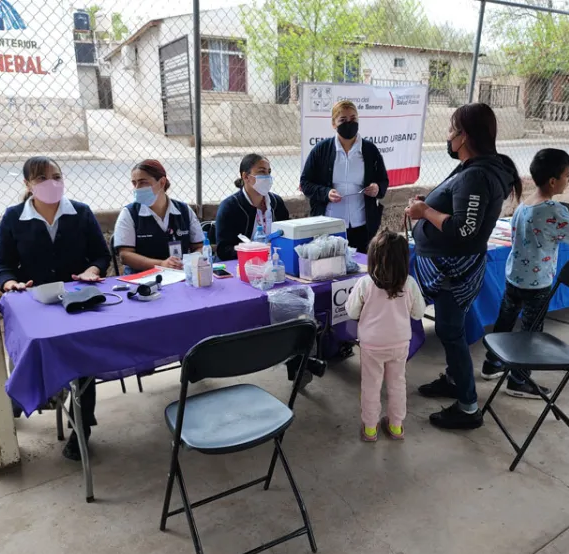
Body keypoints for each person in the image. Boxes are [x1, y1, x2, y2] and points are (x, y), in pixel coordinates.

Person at [406, 102, 522, 430]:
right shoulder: (474, 167)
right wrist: (428, 205)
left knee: (450, 330)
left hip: (453, 271)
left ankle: (468, 406)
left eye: (451, 130)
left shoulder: (478, 176)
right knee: (448, 328)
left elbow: (463, 229)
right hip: (448, 267)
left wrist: (425, 213)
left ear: (464, 136)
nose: (447, 137)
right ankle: (454, 380)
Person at [0, 156, 111, 461]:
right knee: (28, 348)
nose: (51, 183)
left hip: (76, 299)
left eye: (56, 176)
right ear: (28, 185)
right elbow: (2, 265)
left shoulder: (81, 213)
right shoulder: (13, 217)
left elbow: (100, 254)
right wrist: (9, 283)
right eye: (42, 178)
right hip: (33, 299)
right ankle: (23, 395)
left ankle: (82, 427)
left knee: (83, 356)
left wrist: (93, 271)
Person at [482, 148, 569, 398]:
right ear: (553, 181)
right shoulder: (554, 210)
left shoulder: (525, 204)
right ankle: (519, 380)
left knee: (505, 320)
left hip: (514, 276)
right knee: (530, 330)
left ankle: (492, 363)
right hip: (538, 283)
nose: (568, 180)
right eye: (567, 176)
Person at [346, 230, 425, 442]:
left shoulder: (365, 283)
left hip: (371, 345)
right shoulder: (409, 284)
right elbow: (418, 313)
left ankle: (370, 429)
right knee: (397, 383)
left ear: (372, 257)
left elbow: (352, 312)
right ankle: (396, 426)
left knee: (370, 385)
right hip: (399, 343)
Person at [300, 100, 389, 253]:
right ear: (334, 124)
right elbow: (305, 183)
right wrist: (325, 193)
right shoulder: (321, 150)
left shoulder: (370, 150)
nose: (349, 123)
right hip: (329, 225)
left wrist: (377, 188)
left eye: (353, 119)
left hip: (362, 225)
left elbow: (383, 180)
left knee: (361, 268)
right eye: (343, 120)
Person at [113, 159, 204, 274]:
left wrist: (189, 263)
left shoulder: (184, 211)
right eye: (134, 183)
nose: (137, 188)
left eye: (143, 182)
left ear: (162, 182)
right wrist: (161, 265)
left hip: (180, 275)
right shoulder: (129, 213)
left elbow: (199, 246)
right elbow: (125, 255)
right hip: (142, 278)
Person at [215, 153, 290, 261]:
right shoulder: (230, 207)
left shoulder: (276, 202)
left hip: (273, 261)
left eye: (268, 172)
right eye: (261, 171)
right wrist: (252, 250)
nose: (267, 177)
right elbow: (223, 250)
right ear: (245, 176)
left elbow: (287, 234)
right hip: (240, 265)